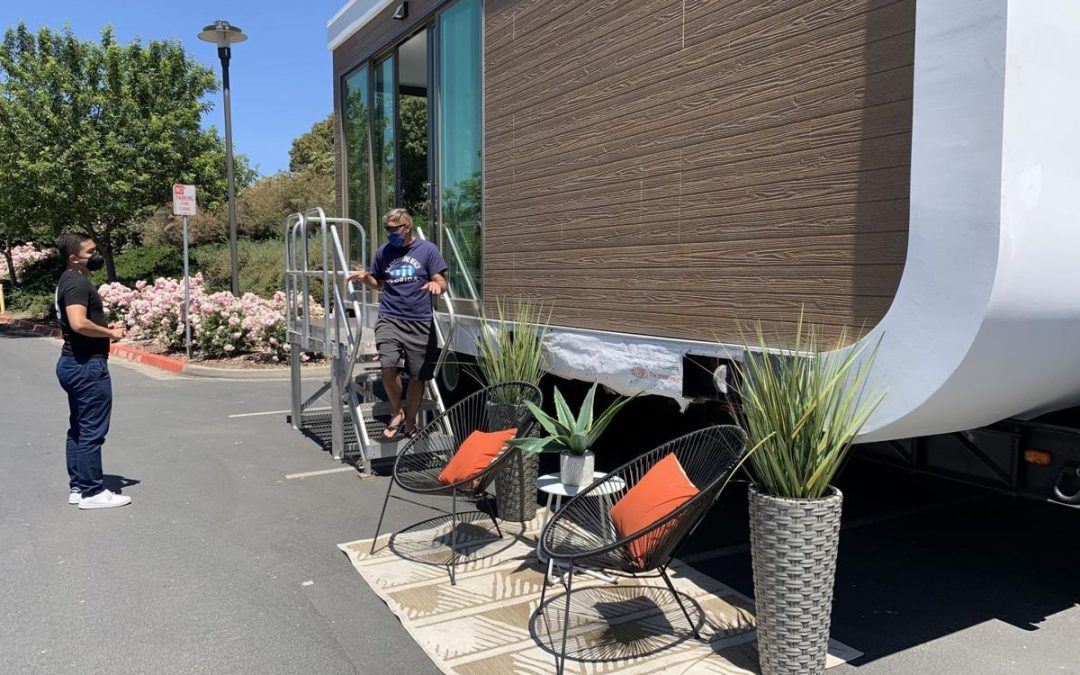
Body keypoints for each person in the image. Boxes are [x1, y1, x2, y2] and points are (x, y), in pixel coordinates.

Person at [348, 208, 448, 440]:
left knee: (417, 376)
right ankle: (397, 412)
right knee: (388, 365)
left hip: (420, 322)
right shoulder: (384, 252)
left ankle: (411, 421)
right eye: (388, 230)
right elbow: (379, 283)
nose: (391, 233)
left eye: (395, 229)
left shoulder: (427, 250)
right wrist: (365, 278)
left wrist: (437, 287)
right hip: (389, 318)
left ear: (407, 226)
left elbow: (442, 281)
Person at [54, 233, 131, 509]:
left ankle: (78, 486)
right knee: (91, 431)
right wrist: (109, 332)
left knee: (78, 428)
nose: (96, 255)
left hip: (73, 363)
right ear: (74, 257)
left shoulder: (68, 279)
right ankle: (92, 492)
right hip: (86, 365)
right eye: (91, 251)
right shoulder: (75, 282)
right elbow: (78, 323)